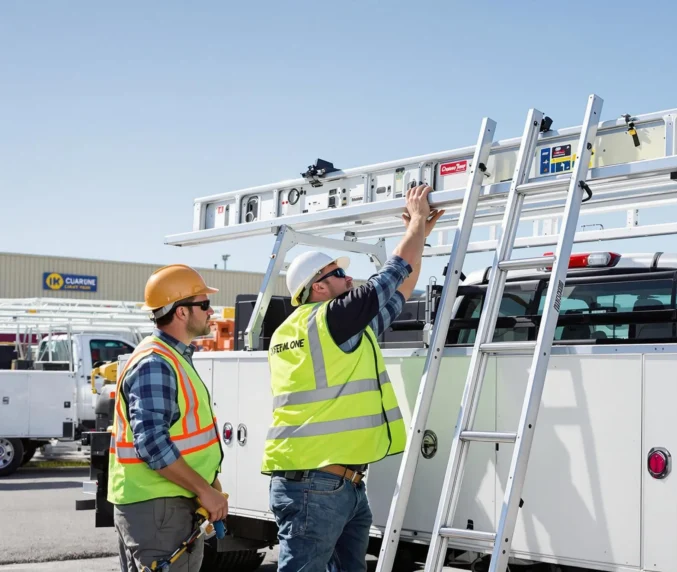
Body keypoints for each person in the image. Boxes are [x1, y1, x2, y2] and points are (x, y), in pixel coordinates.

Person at [262, 184, 443, 572]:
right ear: (319, 287)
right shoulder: (331, 318)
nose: (349, 279)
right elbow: (391, 274)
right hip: (318, 486)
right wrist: (414, 224)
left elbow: (402, 287)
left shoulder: (309, 329)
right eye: (340, 273)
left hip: (336, 485)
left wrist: (419, 237)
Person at [109, 264, 228, 572]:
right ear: (181, 312)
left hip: (165, 506)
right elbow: (152, 444)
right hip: (159, 508)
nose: (211, 311)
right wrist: (204, 490)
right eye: (203, 304)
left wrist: (209, 485)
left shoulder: (171, 358)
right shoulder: (156, 363)